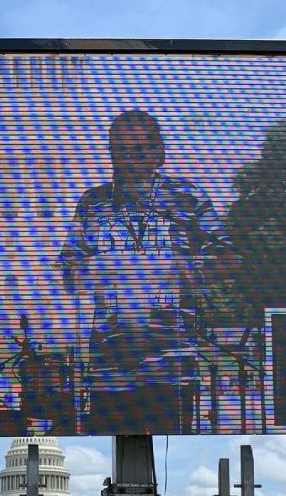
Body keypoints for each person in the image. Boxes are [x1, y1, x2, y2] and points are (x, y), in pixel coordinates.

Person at [59, 108, 237, 433]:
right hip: (108, 358)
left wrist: (181, 272)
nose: (128, 160)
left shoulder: (187, 197)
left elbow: (227, 259)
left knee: (166, 445)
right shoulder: (93, 202)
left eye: (138, 150)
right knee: (114, 448)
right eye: (119, 151)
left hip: (171, 356)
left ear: (159, 153)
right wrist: (96, 270)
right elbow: (69, 266)